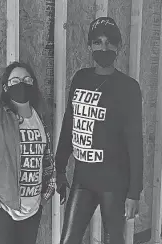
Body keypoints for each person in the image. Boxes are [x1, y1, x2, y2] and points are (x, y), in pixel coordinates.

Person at [55, 17, 144, 244]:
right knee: (69, 239)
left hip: (114, 181)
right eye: (98, 42)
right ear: (89, 46)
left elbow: (135, 141)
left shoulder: (128, 87)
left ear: (119, 47)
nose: (103, 47)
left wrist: (134, 192)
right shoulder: (80, 78)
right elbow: (70, 123)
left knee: (113, 240)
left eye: (109, 42)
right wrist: (59, 167)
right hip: (83, 178)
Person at [0, 61, 55, 244]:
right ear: (6, 87)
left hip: (32, 212)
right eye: (15, 81)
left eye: (27, 79)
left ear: (33, 84)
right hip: (1, 213)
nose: (21, 83)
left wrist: (44, 197)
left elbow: (47, 161)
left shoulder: (41, 118)